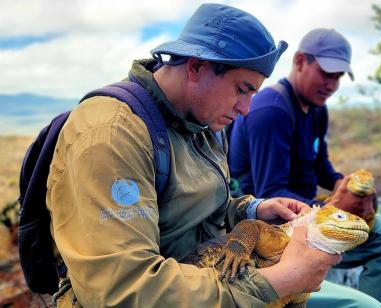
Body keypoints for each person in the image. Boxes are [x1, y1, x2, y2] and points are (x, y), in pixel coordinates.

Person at [45, 5, 350, 307]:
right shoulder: (111, 136)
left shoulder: (204, 122)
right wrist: (279, 281)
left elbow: (190, 210)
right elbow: (121, 289)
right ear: (196, 67)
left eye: (253, 93)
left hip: (217, 275)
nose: (246, 109)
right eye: (242, 89)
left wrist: (251, 210)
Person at [229, 28, 381, 308]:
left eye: (338, 77)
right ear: (299, 62)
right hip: (273, 227)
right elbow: (269, 193)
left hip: (305, 211)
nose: (332, 84)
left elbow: (321, 166)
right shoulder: (272, 111)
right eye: (326, 73)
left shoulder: (317, 108)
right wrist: (333, 209)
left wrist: (347, 187)